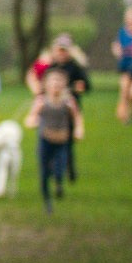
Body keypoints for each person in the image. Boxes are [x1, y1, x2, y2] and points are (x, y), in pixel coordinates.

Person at [26, 34, 90, 182]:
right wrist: (37, 89)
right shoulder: (49, 65)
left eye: (64, 50)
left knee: (67, 142)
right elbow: (33, 75)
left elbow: (86, 85)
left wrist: (79, 87)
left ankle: (68, 169)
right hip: (49, 110)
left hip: (68, 110)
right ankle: (49, 168)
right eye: (59, 50)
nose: (61, 53)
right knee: (46, 139)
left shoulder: (75, 67)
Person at [25, 67, 84, 213]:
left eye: (59, 81)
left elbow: (77, 118)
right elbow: (31, 117)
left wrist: (79, 130)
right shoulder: (41, 101)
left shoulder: (68, 101)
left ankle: (58, 182)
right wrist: (32, 121)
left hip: (62, 141)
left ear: (65, 84)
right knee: (44, 173)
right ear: (46, 84)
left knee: (60, 168)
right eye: (53, 81)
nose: (56, 84)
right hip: (45, 140)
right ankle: (47, 202)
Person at [117, 7, 132, 125]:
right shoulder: (122, 32)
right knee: (124, 91)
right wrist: (117, 51)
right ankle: (124, 116)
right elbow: (117, 45)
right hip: (125, 66)